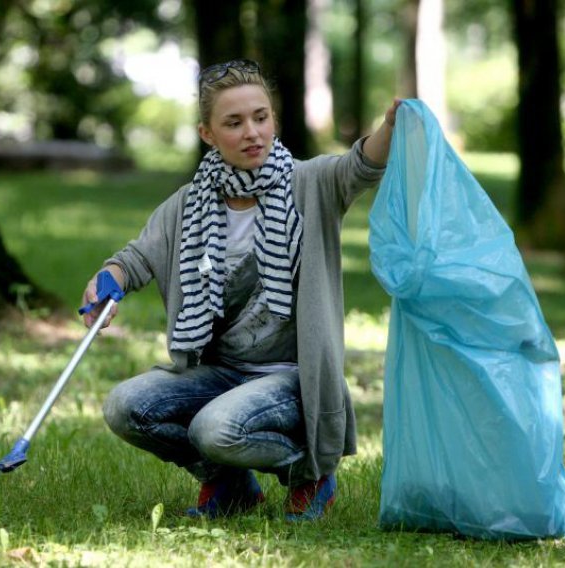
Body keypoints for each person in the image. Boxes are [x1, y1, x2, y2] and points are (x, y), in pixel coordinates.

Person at [82, 58, 400, 521]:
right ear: (208, 134)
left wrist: (389, 125)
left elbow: (362, 164)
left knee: (216, 428)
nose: (252, 132)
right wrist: (106, 280)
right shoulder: (189, 204)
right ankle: (230, 486)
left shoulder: (310, 183)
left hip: (292, 378)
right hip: (220, 372)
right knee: (125, 407)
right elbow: (135, 259)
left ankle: (308, 473)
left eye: (261, 117)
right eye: (234, 122)